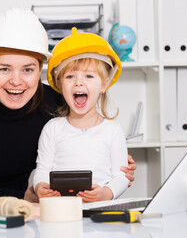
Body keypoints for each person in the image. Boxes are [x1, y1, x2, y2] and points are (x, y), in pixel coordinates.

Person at [0, 8, 136, 204]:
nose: (16, 81)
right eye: (4, 69)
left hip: (21, 195)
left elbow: (80, 139)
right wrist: (22, 195)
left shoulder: (57, 103)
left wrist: (114, 165)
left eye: (27, 70)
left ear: (39, 69)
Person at [33, 27, 129, 202]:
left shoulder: (113, 131)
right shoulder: (52, 128)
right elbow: (42, 171)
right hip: (60, 208)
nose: (78, 82)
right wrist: (40, 186)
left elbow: (121, 176)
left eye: (89, 76)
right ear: (60, 86)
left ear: (104, 85)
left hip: (99, 210)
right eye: (70, 77)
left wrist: (106, 193)